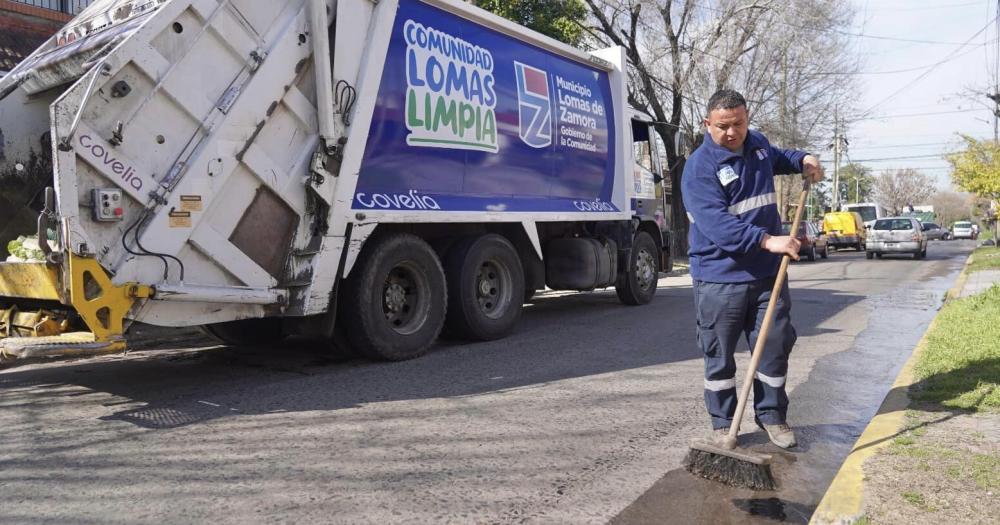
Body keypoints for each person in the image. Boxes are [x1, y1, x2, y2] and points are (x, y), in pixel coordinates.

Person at [681, 89, 823, 449]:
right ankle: (723, 424)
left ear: (747, 119)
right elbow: (716, 224)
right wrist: (768, 241)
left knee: (774, 346)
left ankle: (773, 417)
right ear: (707, 124)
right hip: (719, 278)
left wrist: (803, 158)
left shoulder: (757, 145)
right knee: (719, 353)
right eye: (723, 126)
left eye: (739, 124)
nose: (732, 133)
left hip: (766, 276)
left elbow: (779, 158)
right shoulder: (699, 169)